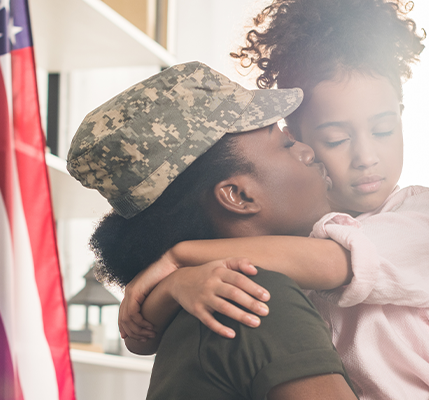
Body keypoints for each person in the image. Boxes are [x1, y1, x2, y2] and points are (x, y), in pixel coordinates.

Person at [118, 0, 429, 399]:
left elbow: (330, 263)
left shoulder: (423, 217)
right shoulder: (288, 249)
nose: (367, 156)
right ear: (302, 139)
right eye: (336, 139)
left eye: (384, 130)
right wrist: (177, 280)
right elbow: (141, 340)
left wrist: (181, 258)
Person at [68, 61, 357, 400]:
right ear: (238, 195)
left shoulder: (194, 296)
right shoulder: (250, 295)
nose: (309, 151)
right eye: (285, 145)